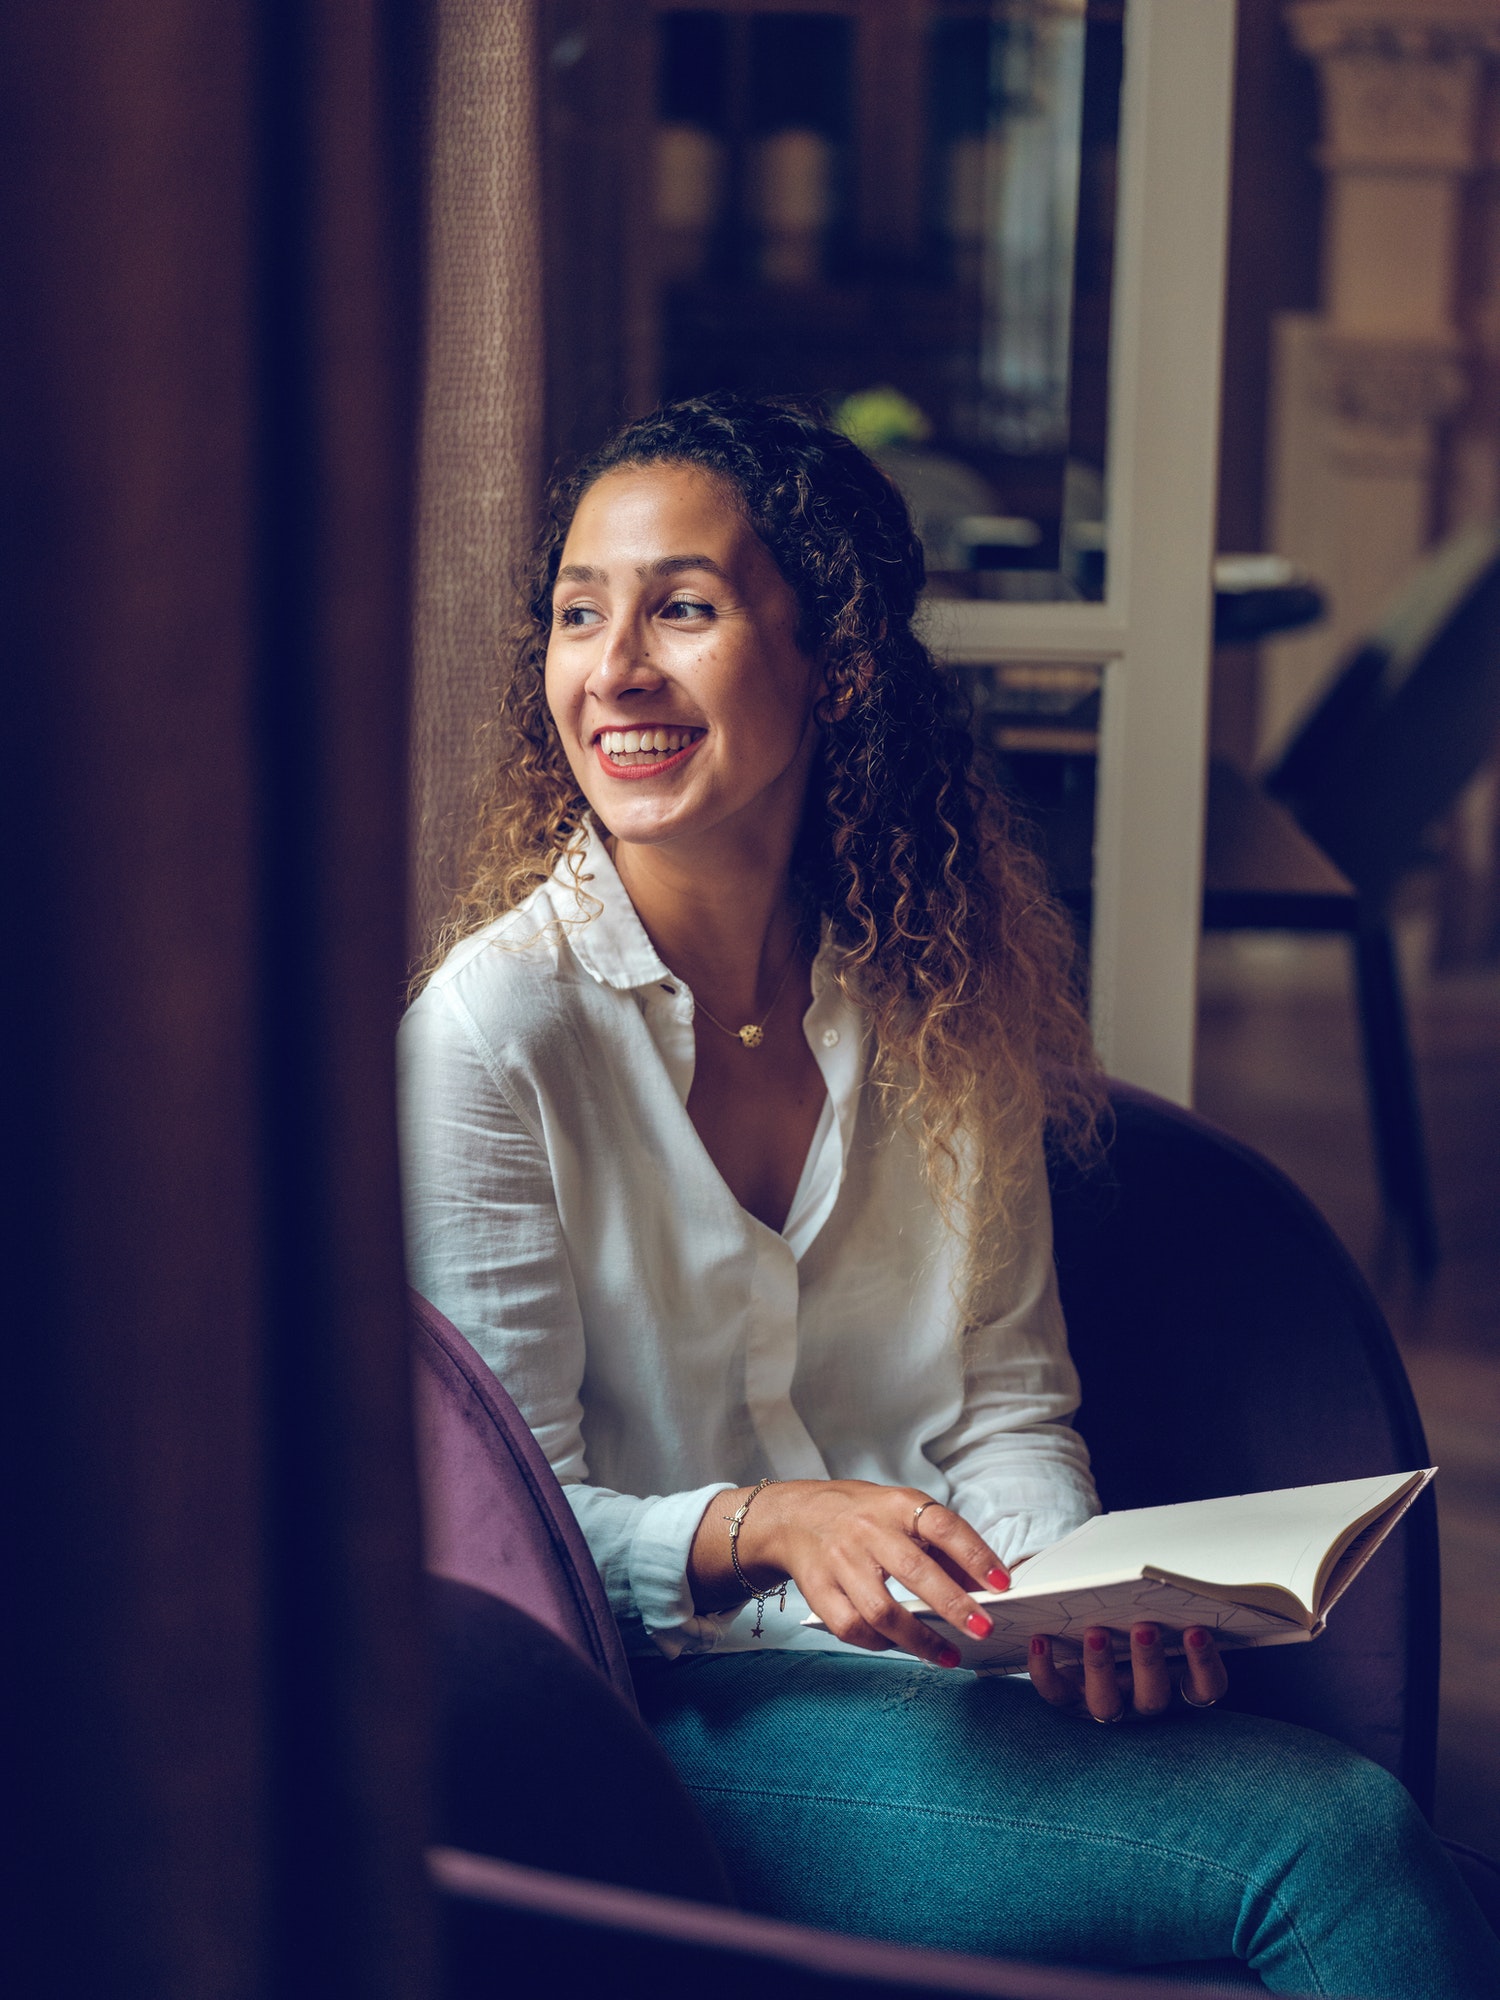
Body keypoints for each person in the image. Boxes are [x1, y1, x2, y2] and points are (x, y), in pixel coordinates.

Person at [400, 393, 1499, 1995]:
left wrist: (1065, 1610)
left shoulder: (938, 997)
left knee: (1441, 1869)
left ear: (835, 662)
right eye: (580, 612)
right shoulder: (491, 1038)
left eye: (683, 608)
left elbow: (1007, 1408)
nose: (614, 666)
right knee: (1339, 1855)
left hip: (957, 1689)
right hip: (665, 1720)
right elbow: (496, 1545)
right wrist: (759, 1526)